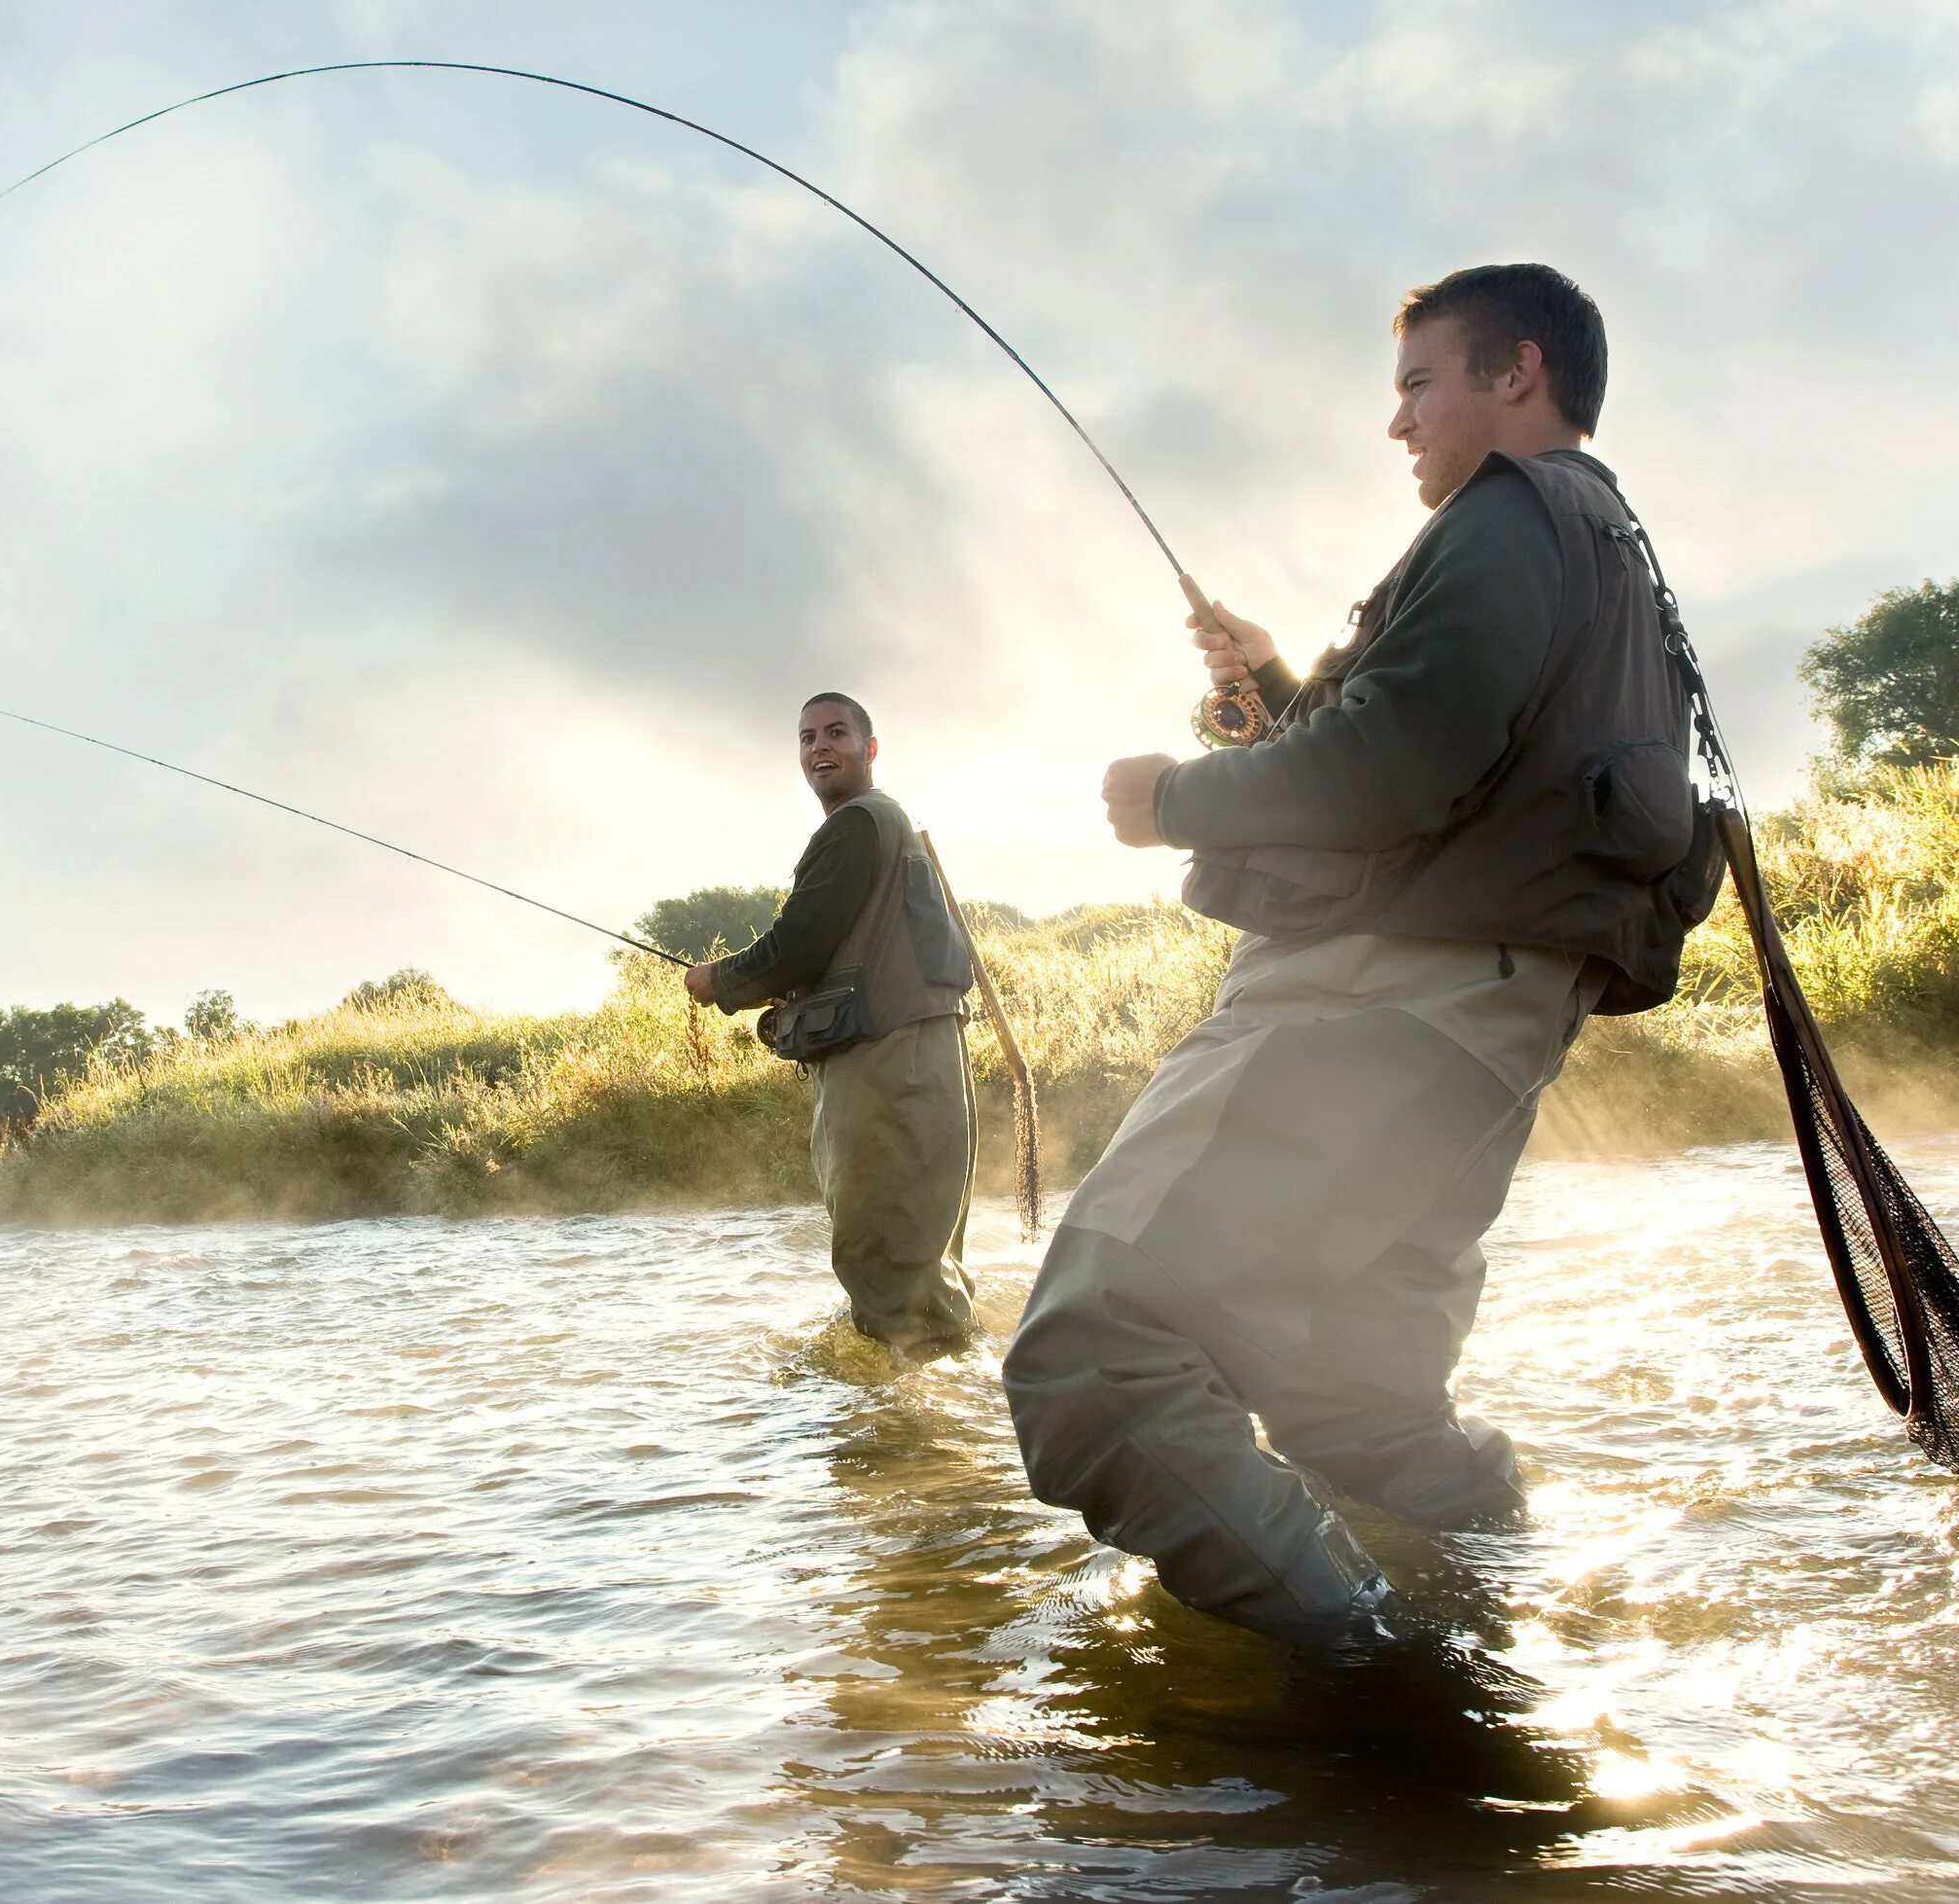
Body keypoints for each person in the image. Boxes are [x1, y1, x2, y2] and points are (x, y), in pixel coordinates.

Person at [1002, 264, 1715, 1648]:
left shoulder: (1509, 512)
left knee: (1094, 1357)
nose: (1395, 423)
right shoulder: (1605, 542)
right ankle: (1496, 1648)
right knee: (1357, 1410)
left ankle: (1387, 1700)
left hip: (1372, 1015)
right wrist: (1274, 691)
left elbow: (1394, 764)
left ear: (1518, 371)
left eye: (1416, 384)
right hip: (1474, 1051)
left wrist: (1176, 801)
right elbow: (1451, 755)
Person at [686, 693, 980, 1360]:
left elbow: (798, 944)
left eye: (837, 732)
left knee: (886, 1271)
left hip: (889, 1075)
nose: (819, 746)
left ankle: (906, 1446)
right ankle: (961, 1434)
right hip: (924, 1068)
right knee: (926, 1274)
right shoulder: (888, 824)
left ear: (869, 748)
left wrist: (720, 981)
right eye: (807, 737)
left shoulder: (855, 825)